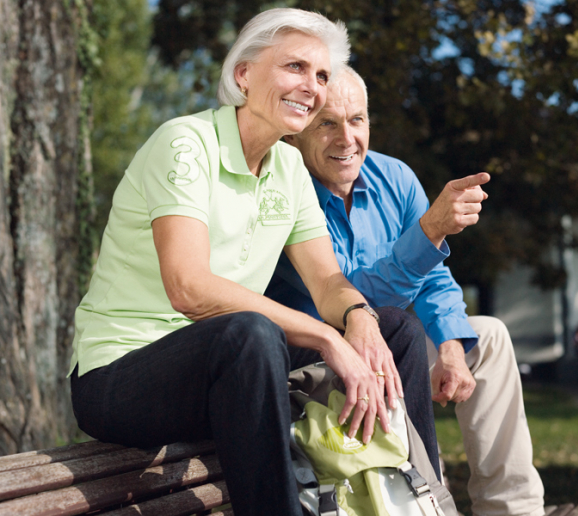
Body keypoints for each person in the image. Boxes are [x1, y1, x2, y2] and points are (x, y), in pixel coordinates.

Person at [68, 11, 438, 516]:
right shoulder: (184, 144)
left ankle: (421, 502)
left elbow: (328, 281)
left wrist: (358, 321)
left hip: (231, 371)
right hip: (120, 377)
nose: (313, 87)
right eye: (295, 67)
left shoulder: (288, 167)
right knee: (251, 332)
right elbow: (190, 289)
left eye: (322, 75)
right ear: (243, 75)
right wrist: (328, 336)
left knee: (396, 330)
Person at [266, 64, 546, 516]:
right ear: (296, 134)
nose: (346, 138)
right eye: (327, 124)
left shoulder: (394, 176)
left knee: (486, 336)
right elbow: (350, 299)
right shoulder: (284, 188)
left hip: (395, 343)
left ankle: (513, 510)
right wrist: (430, 230)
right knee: (402, 331)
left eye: (356, 120)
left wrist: (451, 347)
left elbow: (434, 279)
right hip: (320, 359)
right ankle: (425, 500)